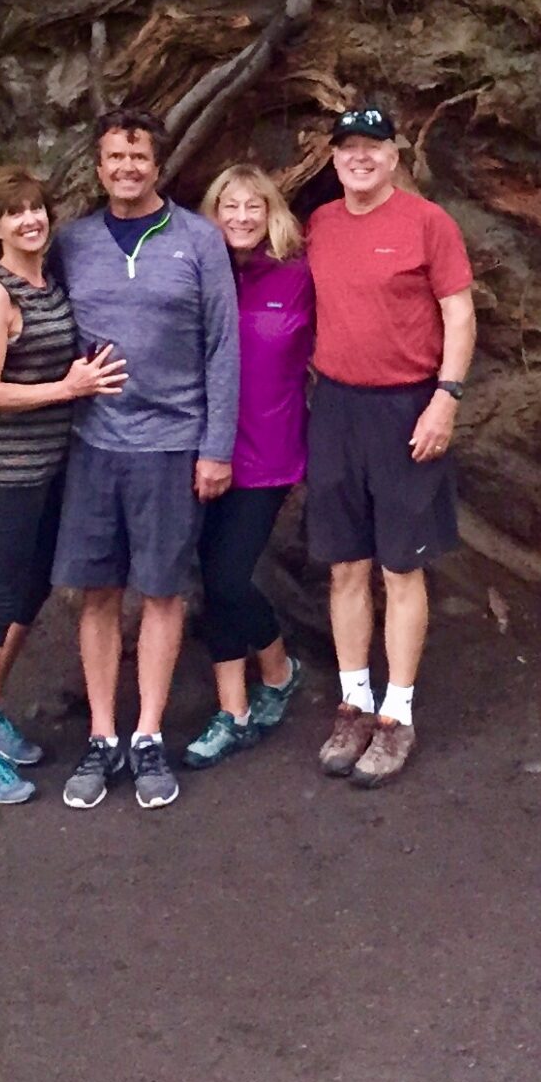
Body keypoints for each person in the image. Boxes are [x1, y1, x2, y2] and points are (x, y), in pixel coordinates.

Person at [47, 108, 239, 810]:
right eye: (113, 158)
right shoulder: (72, 243)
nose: (126, 168)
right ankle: (102, 734)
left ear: (158, 165)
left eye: (138, 157)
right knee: (97, 591)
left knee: (162, 591)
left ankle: (149, 734)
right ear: (98, 166)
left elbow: (223, 348)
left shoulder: (198, 240)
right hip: (94, 444)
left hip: (172, 444)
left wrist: (216, 447)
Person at [305, 103, 476, 789]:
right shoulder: (319, 224)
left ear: (395, 154)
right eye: (347, 148)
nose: (359, 158)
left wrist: (446, 397)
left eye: (372, 146)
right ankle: (355, 701)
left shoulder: (427, 223)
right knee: (345, 564)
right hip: (337, 406)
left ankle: (397, 713)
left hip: (408, 405)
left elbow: (458, 313)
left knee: (401, 566)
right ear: (335, 158)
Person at [0, 168, 127, 806]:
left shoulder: (47, 281)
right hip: (11, 471)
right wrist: (66, 389)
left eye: (37, 209)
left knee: (31, 589)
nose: (31, 220)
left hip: (54, 466)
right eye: (14, 213)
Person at [181, 163, 312, 769]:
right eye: (228, 206)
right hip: (199, 451)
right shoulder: (200, 280)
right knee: (212, 580)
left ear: (271, 214)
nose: (240, 218)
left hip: (270, 452)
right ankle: (232, 711)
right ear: (212, 215)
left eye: (252, 207)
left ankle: (280, 671)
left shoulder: (299, 276)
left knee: (229, 577)